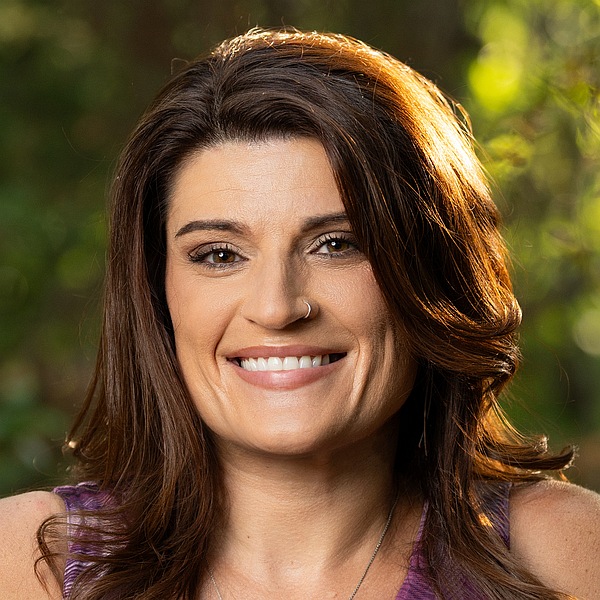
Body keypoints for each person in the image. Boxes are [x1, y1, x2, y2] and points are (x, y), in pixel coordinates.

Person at [1, 27, 599, 600]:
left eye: (336, 244)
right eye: (219, 255)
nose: (277, 308)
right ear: (158, 293)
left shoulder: (565, 554)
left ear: (430, 271)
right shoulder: (29, 564)